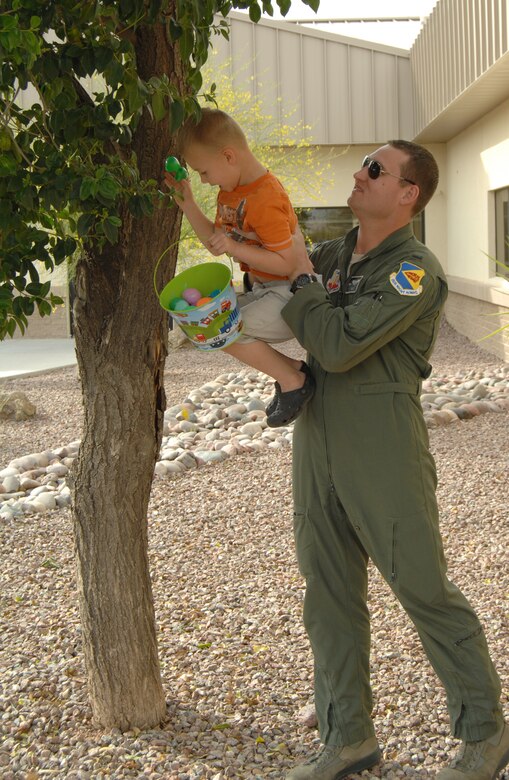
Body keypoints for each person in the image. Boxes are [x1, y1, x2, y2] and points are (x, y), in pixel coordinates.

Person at [279, 141, 509, 780]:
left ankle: (485, 732)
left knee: (421, 587)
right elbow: (278, 303)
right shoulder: (330, 255)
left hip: (381, 442)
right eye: (364, 166)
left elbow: (337, 342)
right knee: (327, 591)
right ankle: (346, 737)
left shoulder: (414, 270)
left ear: (408, 193)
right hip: (316, 435)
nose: (360, 174)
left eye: (375, 169)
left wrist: (298, 284)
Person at [164, 108, 314, 428]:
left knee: (223, 328)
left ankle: (293, 380)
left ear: (229, 156)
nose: (204, 180)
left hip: (291, 294)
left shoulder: (265, 196)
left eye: (203, 172)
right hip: (263, 289)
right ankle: (294, 373)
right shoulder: (231, 193)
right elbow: (217, 241)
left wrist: (234, 247)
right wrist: (187, 202)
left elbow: (287, 262)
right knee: (213, 325)